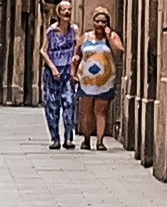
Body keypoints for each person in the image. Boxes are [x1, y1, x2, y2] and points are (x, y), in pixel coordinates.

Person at [70, 11, 121, 153]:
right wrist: (73, 73)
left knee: (101, 111)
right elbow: (76, 55)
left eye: (103, 22)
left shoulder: (111, 37)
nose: (100, 24)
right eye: (97, 21)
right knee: (86, 111)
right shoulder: (85, 37)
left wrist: (109, 37)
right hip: (86, 81)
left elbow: (119, 51)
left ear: (107, 23)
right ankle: (86, 139)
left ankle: (100, 141)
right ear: (93, 22)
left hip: (105, 81)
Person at [38, 8, 80, 148]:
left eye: (69, 9)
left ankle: (68, 138)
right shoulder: (51, 31)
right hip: (52, 72)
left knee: (69, 102)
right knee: (52, 105)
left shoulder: (74, 30)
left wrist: (75, 62)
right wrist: (53, 68)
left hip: (67, 71)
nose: (67, 12)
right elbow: (43, 50)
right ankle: (55, 138)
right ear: (58, 13)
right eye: (63, 9)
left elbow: (78, 47)